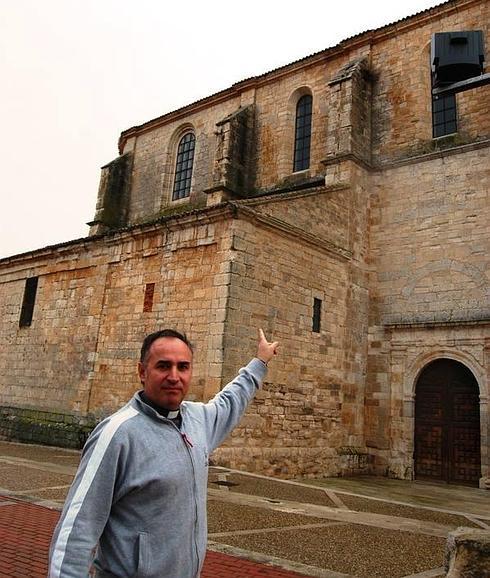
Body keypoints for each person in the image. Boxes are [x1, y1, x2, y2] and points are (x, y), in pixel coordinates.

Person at [48, 327, 278, 578]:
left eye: (183, 367)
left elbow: (230, 401)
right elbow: (76, 530)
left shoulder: (198, 420)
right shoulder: (117, 434)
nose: (174, 376)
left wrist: (259, 362)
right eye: (163, 366)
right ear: (142, 372)